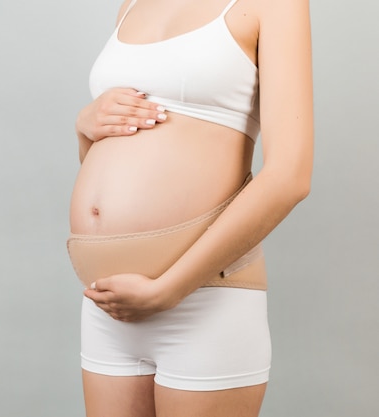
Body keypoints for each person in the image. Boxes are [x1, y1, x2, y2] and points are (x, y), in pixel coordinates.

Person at [66, 0, 313, 415]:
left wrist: (168, 289)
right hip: (109, 305)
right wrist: (85, 127)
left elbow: (290, 176)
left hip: (203, 301)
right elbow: (119, 157)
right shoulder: (132, 4)